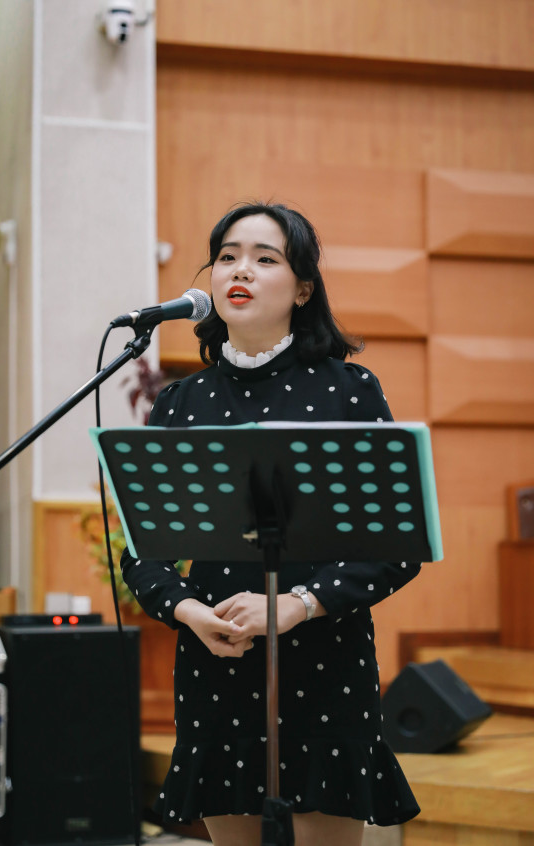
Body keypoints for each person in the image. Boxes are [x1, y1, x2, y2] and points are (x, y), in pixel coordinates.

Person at [121, 201, 421, 846]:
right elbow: (143, 553)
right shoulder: (179, 403)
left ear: (303, 288)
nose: (241, 270)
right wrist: (187, 612)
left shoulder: (349, 391)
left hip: (324, 663)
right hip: (216, 664)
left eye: (265, 258)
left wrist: (296, 604)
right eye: (227, 256)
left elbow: (395, 550)